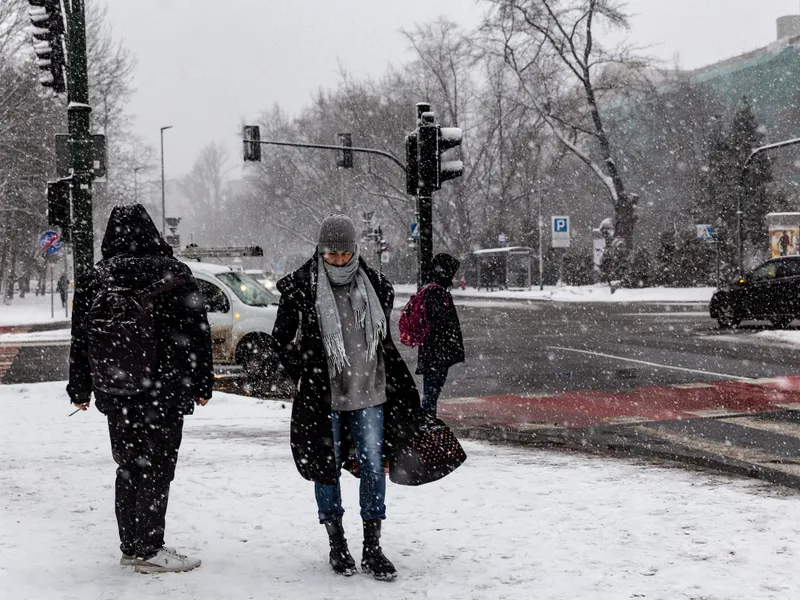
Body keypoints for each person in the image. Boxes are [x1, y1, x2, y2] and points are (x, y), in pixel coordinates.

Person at [272, 214, 424, 581]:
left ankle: (372, 547)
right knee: (327, 466)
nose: (338, 260)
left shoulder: (375, 286)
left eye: (344, 253)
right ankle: (337, 542)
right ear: (320, 250)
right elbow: (282, 340)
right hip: (324, 398)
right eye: (331, 253)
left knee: (374, 465)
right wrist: (305, 373)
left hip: (370, 392)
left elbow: (383, 342)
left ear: (355, 250)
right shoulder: (302, 289)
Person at [67, 204, 213, 574]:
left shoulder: (95, 278)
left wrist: (80, 388)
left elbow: (81, 338)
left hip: (116, 390)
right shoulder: (175, 274)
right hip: (164, 390)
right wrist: (202, 382)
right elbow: (198, 333)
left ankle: (132, 545)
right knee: (159, 466)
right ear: (152, 231)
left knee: (128, 466)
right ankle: (150, 548)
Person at [417, 253, 465, 416]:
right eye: (452, 271)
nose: (454, 275)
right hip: (436, 355)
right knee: (431, 396)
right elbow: (439, 325)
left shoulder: (432, 289)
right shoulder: (436, 293)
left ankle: (428, 425)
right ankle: (428, 427)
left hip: (434, 354)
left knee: (430, 394)